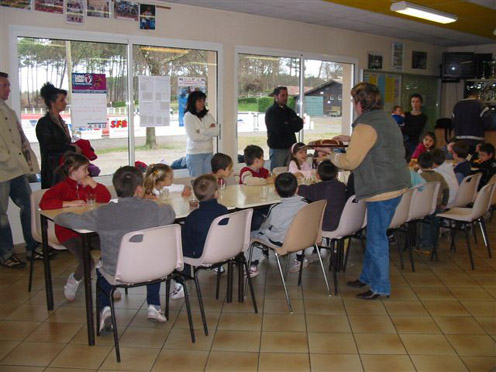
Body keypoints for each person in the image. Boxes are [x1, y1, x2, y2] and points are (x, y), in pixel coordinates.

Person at [54, 166, 176, 333]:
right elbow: (170, 213)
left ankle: (105, 309)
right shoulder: (154, 209)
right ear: (139, 189)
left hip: (118, 271)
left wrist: (60, 214)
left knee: (101, 267)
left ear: (116, 188)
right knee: (151, 256)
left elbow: (66, 219)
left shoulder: (104, 213)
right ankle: (154, 306)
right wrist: (153, 202)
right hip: (153, 270)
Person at [329, 82, 410, 300]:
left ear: (359, 103)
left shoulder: (365, 126)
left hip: (382, 189)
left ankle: (380, 287)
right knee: (374, 234)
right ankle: (367, 276)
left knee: (376, 239)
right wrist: (351, 139)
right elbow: (377, 142)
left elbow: (349, 161)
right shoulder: (386, 119)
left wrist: (330, 155)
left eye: (354, 100)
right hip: (397, 183)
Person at [39, 153, 111, 301]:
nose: (87, 173)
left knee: (111, 249)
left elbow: (106, 198)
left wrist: (93, 184)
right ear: (72, 170)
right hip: (68, 232)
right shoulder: (62, 187)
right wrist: (69, 203)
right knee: (87, 262)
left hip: (90, 228)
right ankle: (74, 280)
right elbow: (44, 204)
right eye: (85, 169)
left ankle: (107, 281)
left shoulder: (87, 185)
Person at [0, 72, 41, 268]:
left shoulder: (8, 111)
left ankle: (32, 247)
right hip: (2, 172)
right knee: (1, 215)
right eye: (4, 85)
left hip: (17, 171)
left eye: (8, 85)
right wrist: (7, 158)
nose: (8, 89)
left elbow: (20, 139)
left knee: (29, 206)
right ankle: (6, 254)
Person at [250, 173, 307, 277]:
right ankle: (300, 258)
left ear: (276, 191)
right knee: (297, 227)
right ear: (297, 189)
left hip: (280, 242)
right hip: (301, 239)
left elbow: (266, 226)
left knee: (252, 235)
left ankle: (253, 266)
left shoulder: (275, 207)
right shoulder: (305, 204)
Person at [296, 160, 346, 271]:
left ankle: (299, 256)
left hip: (325, 225)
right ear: (336, 174)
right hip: (344, 223)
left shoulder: (317, 188)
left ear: (318, 176)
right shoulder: (341, 186)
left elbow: (300, 189)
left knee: (299, 217)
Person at [36, 82, 80, 189]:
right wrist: (72, 147)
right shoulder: (44, 123)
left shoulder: (60, 121)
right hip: (53, 170)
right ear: (52, 103)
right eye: (62, 100)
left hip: (63, 167)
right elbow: (49, 146)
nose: (65, 103)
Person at [182, 174, 228, 260]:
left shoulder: (192, 217)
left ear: (196, 196)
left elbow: (188, 242)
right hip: (224, 249)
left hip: (201, 254)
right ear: (216, 193)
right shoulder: (223, 210)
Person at [416, 152, 449, 255]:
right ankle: (435, 244)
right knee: (434, 225)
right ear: (432, 163)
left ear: (419, 164)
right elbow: (446, 190)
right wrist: (444, 203)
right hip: (437, 205)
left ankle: (425, 246)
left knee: (424, 226)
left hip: (424, 207)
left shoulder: (420, 177)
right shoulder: (439, 176)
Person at [265, 86, 304, 171]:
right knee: (277, 173)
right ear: (276, 96)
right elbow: (278, 130)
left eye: (286, 95)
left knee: (291, 172)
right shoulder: (271, 112)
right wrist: (290, 125)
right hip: (277, 149)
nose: (285, 98)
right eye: (282, 95)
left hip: (291, 148)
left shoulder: (290, 111)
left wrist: (287, 124)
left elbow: (299, 125)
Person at [184, 91, 219, 177]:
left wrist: (201, 131)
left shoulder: (208, 116)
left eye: (204, 101)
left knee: (209, 180)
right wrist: (209, 132)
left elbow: (217, 131)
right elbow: (194, 137)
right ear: (193, 102)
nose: (202, 103)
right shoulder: (188, 116)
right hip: (195, 154)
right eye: (199, 101)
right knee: (197, 181)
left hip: (208, 152)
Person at [452, 89, 493, 154]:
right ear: (477, 95)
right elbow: (488, 123)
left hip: (459, 141)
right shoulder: (481, 105)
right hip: (476, 142)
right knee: (474, 161)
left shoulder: (457, 105)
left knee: (462, 160)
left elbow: (453, 122)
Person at [403, 93, 428, 160]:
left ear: (420, 103)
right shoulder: (405, 115)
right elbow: (401, 128)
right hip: (404, 143)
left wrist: (405, 129)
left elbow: (416, 131)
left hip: (415, 143)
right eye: (413, 101)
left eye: (417, 102)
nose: (415, 104)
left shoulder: (423, 117)